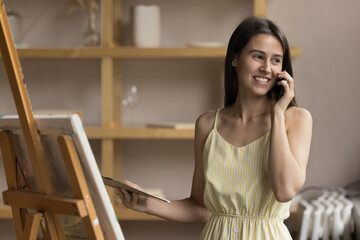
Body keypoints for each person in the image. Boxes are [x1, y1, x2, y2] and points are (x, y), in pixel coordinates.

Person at [115, 16, 313, 239]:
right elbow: (200, 207)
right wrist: (148, 204)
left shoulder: (295, 119)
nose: (267, 68)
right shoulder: (207, 124)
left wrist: (277, 113)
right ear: (235, 59)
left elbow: (284, 190)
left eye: (276, 60)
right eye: (258, 56)